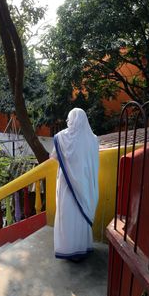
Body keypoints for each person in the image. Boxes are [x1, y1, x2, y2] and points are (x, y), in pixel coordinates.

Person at [50, 108, 99, 261]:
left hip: (67, 184)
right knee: (80, 214)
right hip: (84, 184)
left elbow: (54, 156)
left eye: (69, 118)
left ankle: (68, 249)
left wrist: (70, 165)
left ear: (71, 119)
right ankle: (81, 248)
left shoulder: (62, 137)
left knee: (67, 215)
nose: (67, 121)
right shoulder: (93, 139)